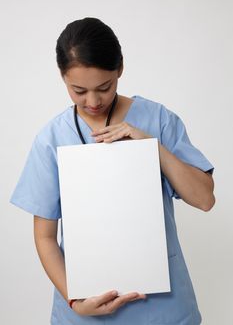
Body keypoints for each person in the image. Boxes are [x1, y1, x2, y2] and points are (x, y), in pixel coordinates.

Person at [10, 17, 215, 325]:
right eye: (78, 90)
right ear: (62, 77)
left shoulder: (158, 119)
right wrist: (75, 302)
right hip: (85, 311)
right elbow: (45, 237)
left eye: (104, 88)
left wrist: (150, 145)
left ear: (120, 68)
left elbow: (204, 199)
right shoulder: (50, 139)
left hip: (164, 311)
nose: (93, 101)